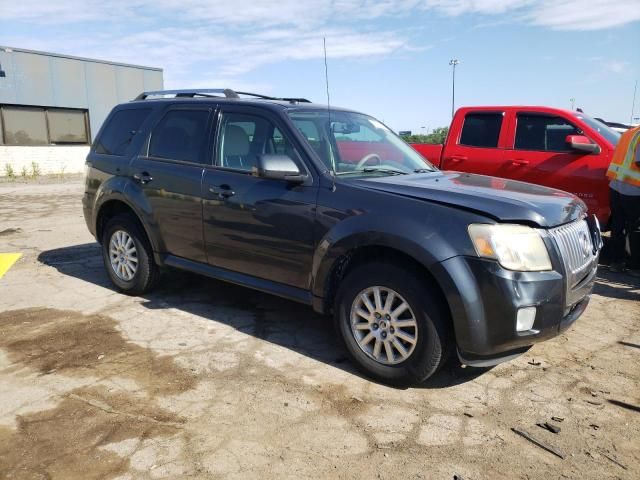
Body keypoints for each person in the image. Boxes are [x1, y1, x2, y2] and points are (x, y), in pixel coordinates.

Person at [606, 125, 640, 275]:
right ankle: (634, 267)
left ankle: (616, 263)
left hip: (617, 184)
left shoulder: (631, 132)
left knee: (618, 226)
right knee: (636, 228)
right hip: (633, 188)